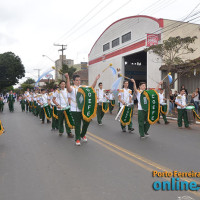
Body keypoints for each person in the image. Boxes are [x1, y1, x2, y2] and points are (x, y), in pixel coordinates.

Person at [65, 73, 100, 146]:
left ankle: (82, 134)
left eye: (79, 80)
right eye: (77, 80)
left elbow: (91, 88)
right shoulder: (72, 88)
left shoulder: (83, 87)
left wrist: (96, 79)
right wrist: (67, 78)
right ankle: (77, 139)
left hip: (84, 109)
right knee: (77, 125)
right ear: (73, 81)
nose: (78, 82)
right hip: (75, 109)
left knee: (87, 122)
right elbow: (68, 88)